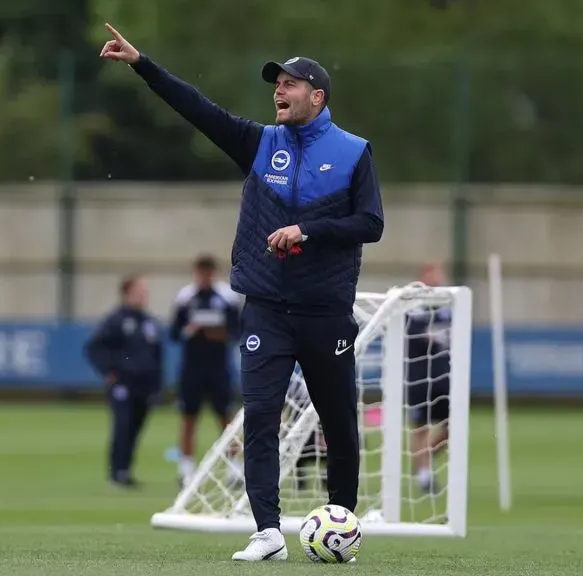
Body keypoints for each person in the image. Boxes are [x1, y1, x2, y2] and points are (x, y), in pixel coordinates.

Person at [99, 24, 385, 561]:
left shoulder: (352, 153)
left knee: (340, 426)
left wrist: (308, 230)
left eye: (291, 83)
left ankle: (341, 527)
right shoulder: (260, 144)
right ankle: (269, 532)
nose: (279, 89)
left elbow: (371, 223)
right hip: (266, 310)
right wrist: (142, 64)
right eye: (276, 83)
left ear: (317, 96)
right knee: (259, 416)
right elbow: (196, 108)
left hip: (325, 312)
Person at [84, 274, 164, 489]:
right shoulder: (116, 320)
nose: (143, 295)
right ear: (127, 293)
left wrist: (157, 385)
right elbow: (95, 347)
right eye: (139, 291)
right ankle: (116, 472)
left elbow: (157, 355)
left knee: (136, 428)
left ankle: (126, 470)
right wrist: (108, 371)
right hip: (122, 384)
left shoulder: (149, 322)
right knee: (122, 425)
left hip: (144, 386)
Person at [169, 254, 241, 487]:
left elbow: (237, 330)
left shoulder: (226, 297)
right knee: (189, 417)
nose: (204, 278)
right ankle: (186, 469)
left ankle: (235, 468)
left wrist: (217, 333)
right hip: (192, 368)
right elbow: (174, 332)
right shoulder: (186, 297)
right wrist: (191, 330)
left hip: (218, 368)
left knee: (225, 418)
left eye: (207, 273)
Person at [404, 263, 452, 494]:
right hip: (419, 378)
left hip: (444, 377)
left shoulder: (449, 306)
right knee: (420, 426)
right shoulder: (413, 308)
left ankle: (424, 458)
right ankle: (424, 476)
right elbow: (411, 339)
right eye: (432, 274)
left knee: (450, 427)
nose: (437, 278)